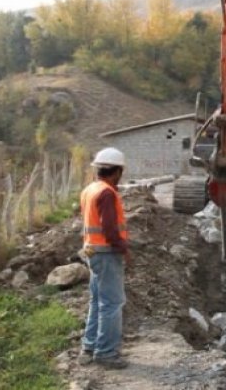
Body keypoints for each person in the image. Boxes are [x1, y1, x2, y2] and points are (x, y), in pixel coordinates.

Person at [77, 147, 130, 369]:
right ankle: (106, 353)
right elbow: (109, 228)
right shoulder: (107, 193)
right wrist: (123, 248)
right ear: (116, 171)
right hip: (106, 252)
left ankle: (89, 346)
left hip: (92, 250)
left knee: (98, 300)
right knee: (112, 303)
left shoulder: (90, 189)